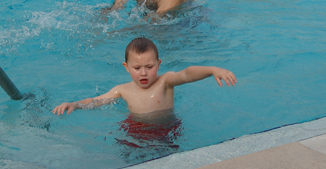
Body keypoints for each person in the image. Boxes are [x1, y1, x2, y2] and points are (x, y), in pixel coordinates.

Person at [52, 37, 236, 115]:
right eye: (137, 67)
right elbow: (96, 101)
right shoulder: (122, 90)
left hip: (166, 129)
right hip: (136, 131)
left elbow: (186, 74)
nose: (143, 72)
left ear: (159, 64)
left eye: (149, 66)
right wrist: (74, 105)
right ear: (126, 67)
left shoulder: (165, 82)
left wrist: (212, 69)